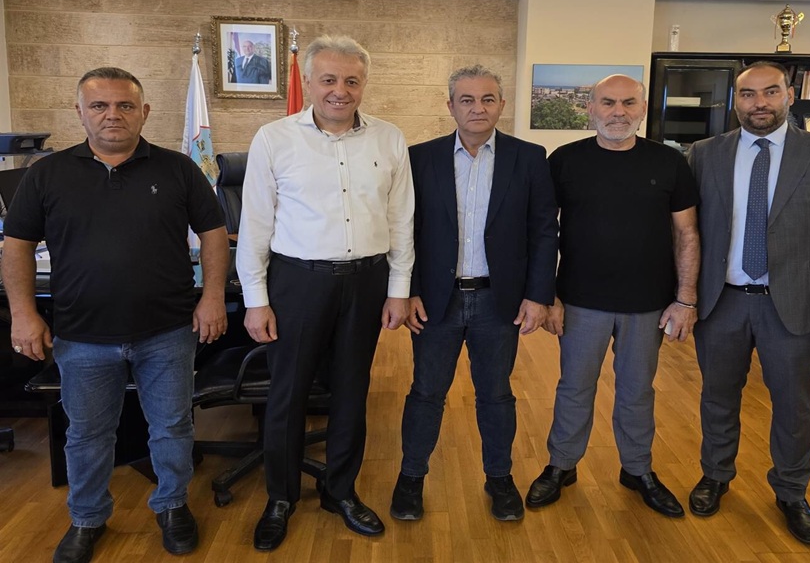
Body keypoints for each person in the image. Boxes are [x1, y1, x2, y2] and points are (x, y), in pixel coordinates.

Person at [1, 67, 229, 563]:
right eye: (99, 105)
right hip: (82, 335)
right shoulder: (46, 174)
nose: (112, 115)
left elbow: (213, 233)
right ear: (80, 112)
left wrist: (213, 296)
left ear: (143, 112)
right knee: (86, 434)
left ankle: (172, 506)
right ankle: (87, 518)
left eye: (125, 105)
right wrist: (22, 313)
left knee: (172, 427)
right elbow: (16, 245)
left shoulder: (178, 169)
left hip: (168, 331)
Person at [237, 34, 414, 550]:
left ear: (364, 84)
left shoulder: (389, 139)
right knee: (287, 395)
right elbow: (254, 225)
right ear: (309, 82)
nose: (341, 90)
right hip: (297, 283)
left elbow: (402, 221)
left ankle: (340, 491)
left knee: (352, 392)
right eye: (329, 79)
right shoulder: (274, 138)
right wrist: (256, 300)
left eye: (352, 80)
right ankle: (281, 498)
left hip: (367, 281)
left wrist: (398, 289)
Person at [686, 61, 810, 545]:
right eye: (748, 94)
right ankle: (715, 474)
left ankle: (791, 491)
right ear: (736, 101)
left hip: (796, 304)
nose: (758, 103)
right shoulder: (705, 153)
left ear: (790, 96)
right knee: (717, 397)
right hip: (721, 302)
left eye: (770, 92)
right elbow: (687, 232)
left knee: (793, 405)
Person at [525, 74, 700, 519]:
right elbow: (543, 232)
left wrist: (685, 300)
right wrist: (547, 296)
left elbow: (687, 234)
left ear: (642, 109)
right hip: (580, 300)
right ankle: (561, 465)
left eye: (627, 103)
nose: (618, 112)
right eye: (607, 102)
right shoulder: (565, 161)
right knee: (574, 387)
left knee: (637, 391)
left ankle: (638, 470)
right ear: (590, 108)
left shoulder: (670, 162)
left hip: (649, 304)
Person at [390, 64, 559, 523]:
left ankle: (499, 478)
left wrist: (538, 296)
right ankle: (410, 477)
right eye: (467, 100)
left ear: (501, 105)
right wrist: (409, 290)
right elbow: (405, 229)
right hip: (435, 302)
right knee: (426, 393)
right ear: (450, 106)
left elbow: (544, 231)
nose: (477, 108)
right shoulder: (420, 158)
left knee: (496, 395)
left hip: (498, 302)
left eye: (487, 99)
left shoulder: (529, 158)